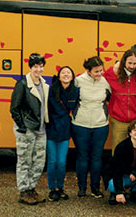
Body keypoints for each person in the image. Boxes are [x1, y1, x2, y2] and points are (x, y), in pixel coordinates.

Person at [10, 52, 50, 205]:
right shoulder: (22, 84)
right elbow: (14, 107)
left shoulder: (44, 84)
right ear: (30, 67)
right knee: (24, 160)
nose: (38, 69)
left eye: (41, 66)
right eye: (35, 66)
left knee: (39, 161)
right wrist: (22, 126)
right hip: (27, 128)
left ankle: (32, 188)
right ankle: (23, 191)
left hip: (40, 129)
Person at [73, 56, 111, 199]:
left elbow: (110, 98)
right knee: (82, 157)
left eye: (101, 70)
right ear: (88, 71)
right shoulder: (78, 81)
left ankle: (95, 188)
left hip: (100, 125)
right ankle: (81, 187)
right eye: (96, 72)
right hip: (80, 125)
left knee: (97, 158)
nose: (99, 74)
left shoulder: (105, 82)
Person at [46, 65, 79, 202]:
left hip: (65, 129)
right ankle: (52, 189)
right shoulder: (52, 90)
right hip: (52, 128)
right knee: (52, 161)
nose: (66, 75)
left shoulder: (75, 91)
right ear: (59, 76)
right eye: (63, 73)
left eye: (69, 73)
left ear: (72, 77)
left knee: (61, 162)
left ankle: (60, 187)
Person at [105, 48, 136, 148]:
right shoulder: (112, 73)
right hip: (119, 120)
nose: (132, 66)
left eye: (135, 63)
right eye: (129, 63)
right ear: (124, 61)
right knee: (118, 149)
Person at [106, 120, 136, 205]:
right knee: (112, 186)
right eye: (135, 130)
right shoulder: (122, 147)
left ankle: (135, 192)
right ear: (130, 133)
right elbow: (116, 170)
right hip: (121, 175)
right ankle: (114, 194)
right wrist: (119, 192)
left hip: (135, 174)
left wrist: (135, 172)